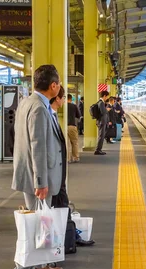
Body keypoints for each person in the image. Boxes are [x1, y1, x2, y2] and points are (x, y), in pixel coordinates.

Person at [11, 65, 63, 269]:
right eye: (58, 84)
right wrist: (41, 181)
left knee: (40, 222)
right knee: (33, 225)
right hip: (37, 177)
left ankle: (40, 264)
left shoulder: (28, 102)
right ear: (53, 85)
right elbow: (37, 145)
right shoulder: (39, 108)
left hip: (31, 173)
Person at [50, 87, 94, 247]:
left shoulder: (52, 114)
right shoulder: (44, 113)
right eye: (60, 98)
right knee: (58, 205)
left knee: (62, 204)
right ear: (56, 97)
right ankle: (64, 239)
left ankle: (68, 237)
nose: (62, 102)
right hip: (50, 174)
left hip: (56, 173)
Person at [94, 90, 110, 155]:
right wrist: (107, 110)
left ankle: (99, 149)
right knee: (101, 136)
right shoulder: (101, 103)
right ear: (104, 96)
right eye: (107, 97)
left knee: (102, 135)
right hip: (101, 122)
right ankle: (98, 150)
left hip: (101, 122)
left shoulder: (101, 103)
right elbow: (103, 112)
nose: (107, 98)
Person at [67, 94, 81, 163]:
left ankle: (67, 158)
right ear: (71, 99)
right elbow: (78, 115)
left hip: (63, 126)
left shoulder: (62, 106)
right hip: (72, 125)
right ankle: (75, 157)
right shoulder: (74, 106)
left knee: (66, 143)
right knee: (74, 142)